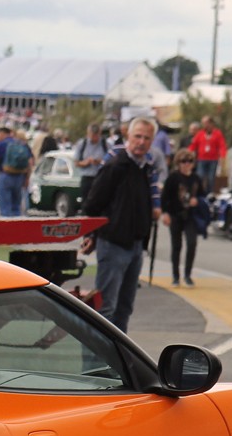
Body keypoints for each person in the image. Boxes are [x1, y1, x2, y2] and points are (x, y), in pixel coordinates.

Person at [80, 116, 157, 332]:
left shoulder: (145, 168)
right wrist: (93, 235)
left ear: (152, 142)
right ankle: (95, 362)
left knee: (125, 308)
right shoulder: (116, 166)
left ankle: (118, 360)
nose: (141, 142)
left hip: (135, 246)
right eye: (137, 136)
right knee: (105, 309)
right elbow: (93, 204)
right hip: (113, 244)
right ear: (128, 137)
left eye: (146, 138)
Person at [160, 150, 207, 288]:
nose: (187, 165)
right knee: (176, 246)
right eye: (183, 162)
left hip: (191, 216)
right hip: (175, 214)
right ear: (178, 163)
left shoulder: (196, 178)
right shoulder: (173, 178)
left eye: (190, 161)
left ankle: (188, 274)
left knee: (192, 243)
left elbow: (203, 195)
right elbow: (165, 197)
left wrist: (197, 201)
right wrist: (165, 213)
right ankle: (176, 276)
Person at [0, 128, 34, 216]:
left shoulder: (7, 144)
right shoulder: (25, 146)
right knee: (17, 205)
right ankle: (17, 221)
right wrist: (27, 178)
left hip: (6, 174)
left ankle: (6, 224)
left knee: (5, 205)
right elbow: (30, 163)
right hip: (20, 176)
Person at [187, 115, 226, 194]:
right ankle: (199, 193)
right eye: (203, 123)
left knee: (211, 179)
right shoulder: (200, 134)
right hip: (201, 160)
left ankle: (209, 194)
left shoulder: (218, 133)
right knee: (199, 177)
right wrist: (188, 153)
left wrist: (222, 157)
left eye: (206, 123)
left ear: (211, 124)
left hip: (213, 160)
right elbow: (193, 145)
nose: (204, 125)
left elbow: (222, 146)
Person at [74, 122, 110, 202]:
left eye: (96, 135)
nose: (94, 138)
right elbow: (76, 162)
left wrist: (101, 161)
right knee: (86, 203)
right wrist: (86, 162)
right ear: (88, 133)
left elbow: (112, 161)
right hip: (87, 178)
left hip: (101, 177)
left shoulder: (105, 144)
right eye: (92, 135)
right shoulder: (82, 144)